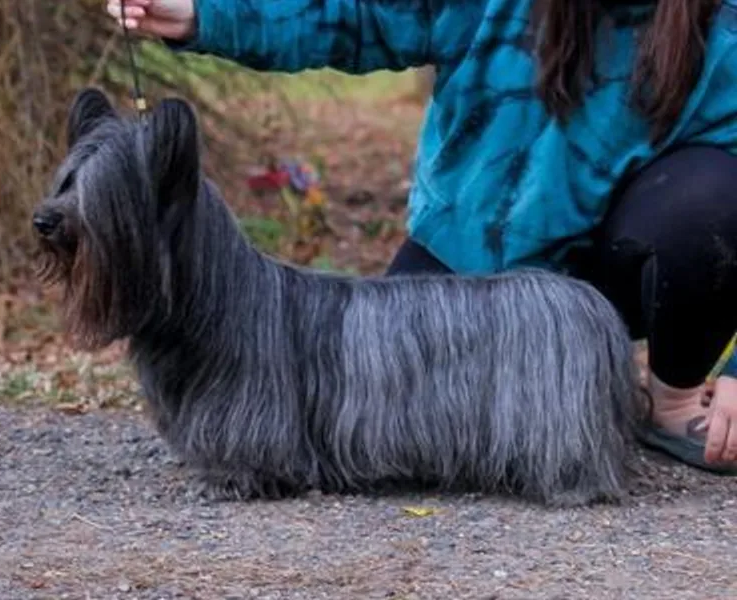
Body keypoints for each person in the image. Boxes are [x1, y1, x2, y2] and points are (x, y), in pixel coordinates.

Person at [106, 0, 737, 473]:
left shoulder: (723, 24)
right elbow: (353, 14)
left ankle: (670, 398)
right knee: (388, 433)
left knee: (713, 197)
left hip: (612, 275)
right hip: (470, 266)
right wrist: (202, 15)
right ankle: (582, 395)